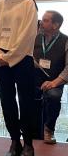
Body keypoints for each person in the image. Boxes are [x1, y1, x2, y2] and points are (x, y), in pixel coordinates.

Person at [0, 0, 38, 156]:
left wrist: (9, 58)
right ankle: (14, 141)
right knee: (7, 102)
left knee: (26, 101)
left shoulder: (28, 4)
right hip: (1, 60)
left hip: (21, 60)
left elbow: (28, 35)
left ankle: (28, 143)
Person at [33, 10, 68, 144]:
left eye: (46, 20)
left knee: (53, 96)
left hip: (55, 80)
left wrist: (55, 82)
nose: (41, 22)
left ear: (55, 25)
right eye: (42, 19)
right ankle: (30, 130)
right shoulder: (34, 37)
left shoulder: (65, 40)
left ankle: (49, 129)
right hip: (35, 79)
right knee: (25, 94)